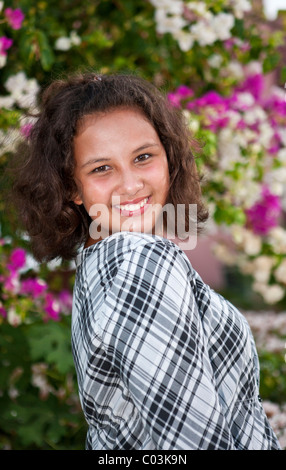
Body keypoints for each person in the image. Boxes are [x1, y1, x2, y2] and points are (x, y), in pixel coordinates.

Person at [12, 72, 281, 450]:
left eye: (143, 157)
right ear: (72, 186)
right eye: (101, 168)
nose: (131, 184)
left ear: (168, 157)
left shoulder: (99, 262)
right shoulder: (141, 262)